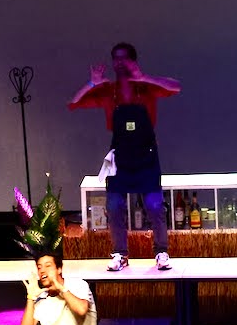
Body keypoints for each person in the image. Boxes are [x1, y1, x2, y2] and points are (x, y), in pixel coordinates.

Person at [69, 42, 180, 272]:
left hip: (146, 155)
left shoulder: (146, 87)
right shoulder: (108, 90)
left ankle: (161, 251)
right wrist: (92, 83)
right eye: (116, 58)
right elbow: (74, 103)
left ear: (133, 61)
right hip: (120, 156)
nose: (119, 63)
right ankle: (120, 253)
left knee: (154, 205)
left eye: (124, 58)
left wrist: (144, 77)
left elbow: (175, 87)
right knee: (114, 204)